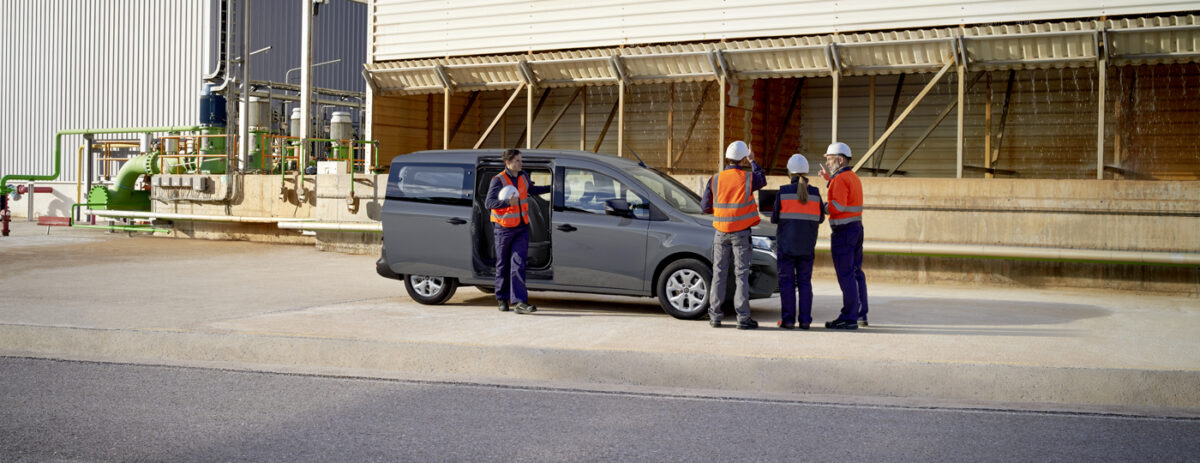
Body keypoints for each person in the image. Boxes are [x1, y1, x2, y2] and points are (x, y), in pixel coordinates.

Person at [701, 140, 766, 330]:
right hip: (741, 234)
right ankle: (743, 318)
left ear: (727, 158)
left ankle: (715, 316)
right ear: (743, 159)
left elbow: (705, 207)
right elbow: (762, 180)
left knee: (718, 273)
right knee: (741, 275)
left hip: (720, 232)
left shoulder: (715, 179)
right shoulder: (747, 178)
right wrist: (753, 161)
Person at [484, 149, 551, 314]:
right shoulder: (498, 180)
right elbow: (489, 203)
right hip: (504, 228)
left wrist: (551, 187)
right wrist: (508, 202)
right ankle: (501, 297)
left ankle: (520, 302)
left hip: (521, 227)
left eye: (521, 160)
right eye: (518, 161)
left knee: (518, 264)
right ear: (508, 163)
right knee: (503, 264)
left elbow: (531, 191)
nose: (521, 164)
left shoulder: (523, 176)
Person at [819, 142, 869, 330]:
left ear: (840, 160)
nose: (828, 163)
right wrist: (828, 179)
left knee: (846, 275)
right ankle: (860, 313)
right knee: (856, 273)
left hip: (843, 234)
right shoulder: (852, 177)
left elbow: (837, 207)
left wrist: (821, 207)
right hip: (856, 229)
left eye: (830, 159)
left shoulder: (840, 179)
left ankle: (849, 317)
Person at [771, 154, 824, 330]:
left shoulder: (783, 192)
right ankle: (805, 320)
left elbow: (774, 218)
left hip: (786, 246)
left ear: (789, 173)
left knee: (786, 283)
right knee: (805, 283)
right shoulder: (815, 193)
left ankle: (787, 321)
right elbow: (821, 218)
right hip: (807, 246)